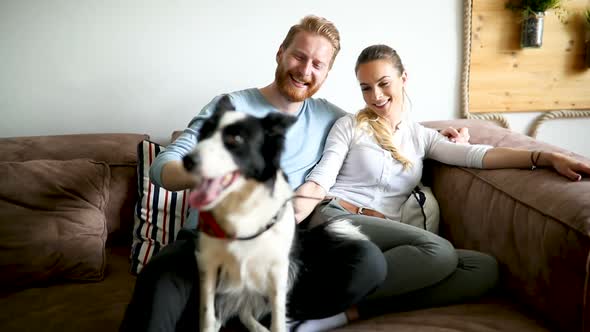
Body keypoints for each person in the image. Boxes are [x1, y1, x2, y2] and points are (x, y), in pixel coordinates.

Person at [119, 16, 469, 332]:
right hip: (207, 244)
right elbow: (163, 167)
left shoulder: (330, 118)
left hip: (284, 252)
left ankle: (270, 317)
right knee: (159, 284)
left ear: (326, 73)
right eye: (299, 56)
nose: (305, 70)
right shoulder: (231, 106)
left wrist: (450, 139)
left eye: (318, 64)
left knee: (365, 261)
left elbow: (384, 121)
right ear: (280, 53)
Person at [293, 44, 590, 326]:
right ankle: (311, 305)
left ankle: (345, 312)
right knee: (438, 252)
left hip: (383, 237)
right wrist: (287, 219)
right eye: (366, 87)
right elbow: (320, 181)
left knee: (482, 269)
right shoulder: (349, 126)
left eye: (384, 83)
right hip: (339, 216)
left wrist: (544, 157)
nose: (376, 96)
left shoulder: (421, 137)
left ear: (403, 78)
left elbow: (478, 156)